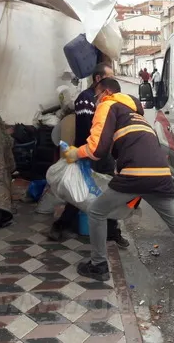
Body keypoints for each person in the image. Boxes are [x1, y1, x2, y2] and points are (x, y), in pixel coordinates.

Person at [64, 78, 174, 293]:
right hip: (161, 175)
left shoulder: (108, 104)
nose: (95, 99)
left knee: (97, 211)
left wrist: (75, 153)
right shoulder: (137, 116)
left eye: (96, 93)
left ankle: (98, 265)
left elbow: (97, 148)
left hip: (135, 174)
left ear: (106, 92)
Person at [48, 64, 130, 247]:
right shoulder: (85, 99)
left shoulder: (111, 100)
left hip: (105, 155)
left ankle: (113, 231)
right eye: (110, 76)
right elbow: (88, 130)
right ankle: (60, 225)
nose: (113, 80)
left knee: (109, 192)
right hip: (87, 153)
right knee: (79, 191)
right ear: (98, 79)